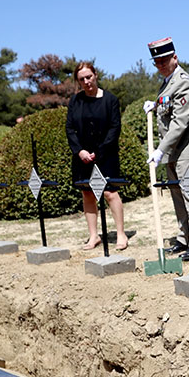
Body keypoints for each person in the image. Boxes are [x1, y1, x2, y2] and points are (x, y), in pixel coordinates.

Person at [144, 38, 189, 262]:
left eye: (164, 60)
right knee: (177, 195)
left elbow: (180, 122)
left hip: (186, 147)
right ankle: (184, 237)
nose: (160, 64)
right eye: (157, 61)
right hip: (173, 149)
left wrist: (160, 150)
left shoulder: (184, 82)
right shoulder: (168, 82)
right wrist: (156, 104)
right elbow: (168, 107)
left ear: (175, 58)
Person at [65, 61, 127, 251]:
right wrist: (80, 151)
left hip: (105, 155)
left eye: (89, 77)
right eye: (82, 79)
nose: (86, 82)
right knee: (87, 193)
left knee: (110, 193)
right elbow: (70, 129)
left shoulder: (110, 100)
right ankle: (94, 236)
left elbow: (114, 128)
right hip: (82, 156)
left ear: (96, 75)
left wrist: (99, 152)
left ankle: (121, 235)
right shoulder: (75, 101)